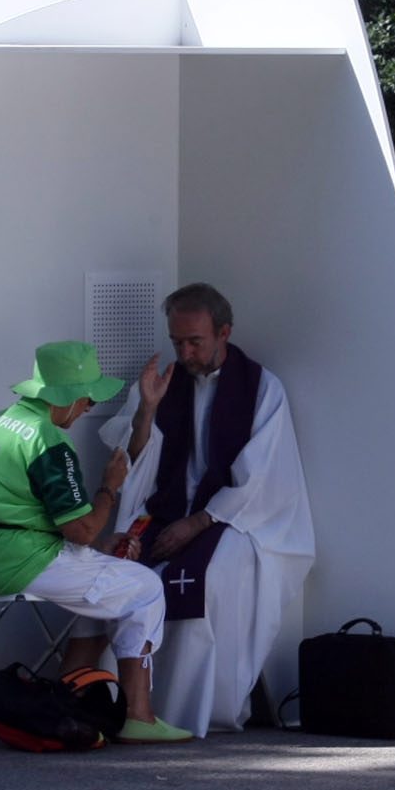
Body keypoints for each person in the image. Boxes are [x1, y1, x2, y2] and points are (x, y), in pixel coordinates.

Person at [97, 283, 315, 737]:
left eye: (195, 341)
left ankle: (203, 709)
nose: (185, 351)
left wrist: (197, 523)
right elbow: (133, 460)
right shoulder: (164, 385)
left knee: (214, 577)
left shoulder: (261, 388)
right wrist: (147, 410)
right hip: (165, 510)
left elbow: (262, 478)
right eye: (177, 341)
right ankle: (129, 707)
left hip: (235, 516)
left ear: (224, 332)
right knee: (125, 572)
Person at [0, 340, 190, 743]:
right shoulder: (48, 441)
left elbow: (35, 518)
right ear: (62, 397)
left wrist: (94, 547)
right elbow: (81, 531)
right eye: (85, 397)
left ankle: (67, 698)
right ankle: (139, 716)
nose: (89, 407)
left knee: (102, 589)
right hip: (17, 562)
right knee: (145, 587)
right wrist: (108, 489)